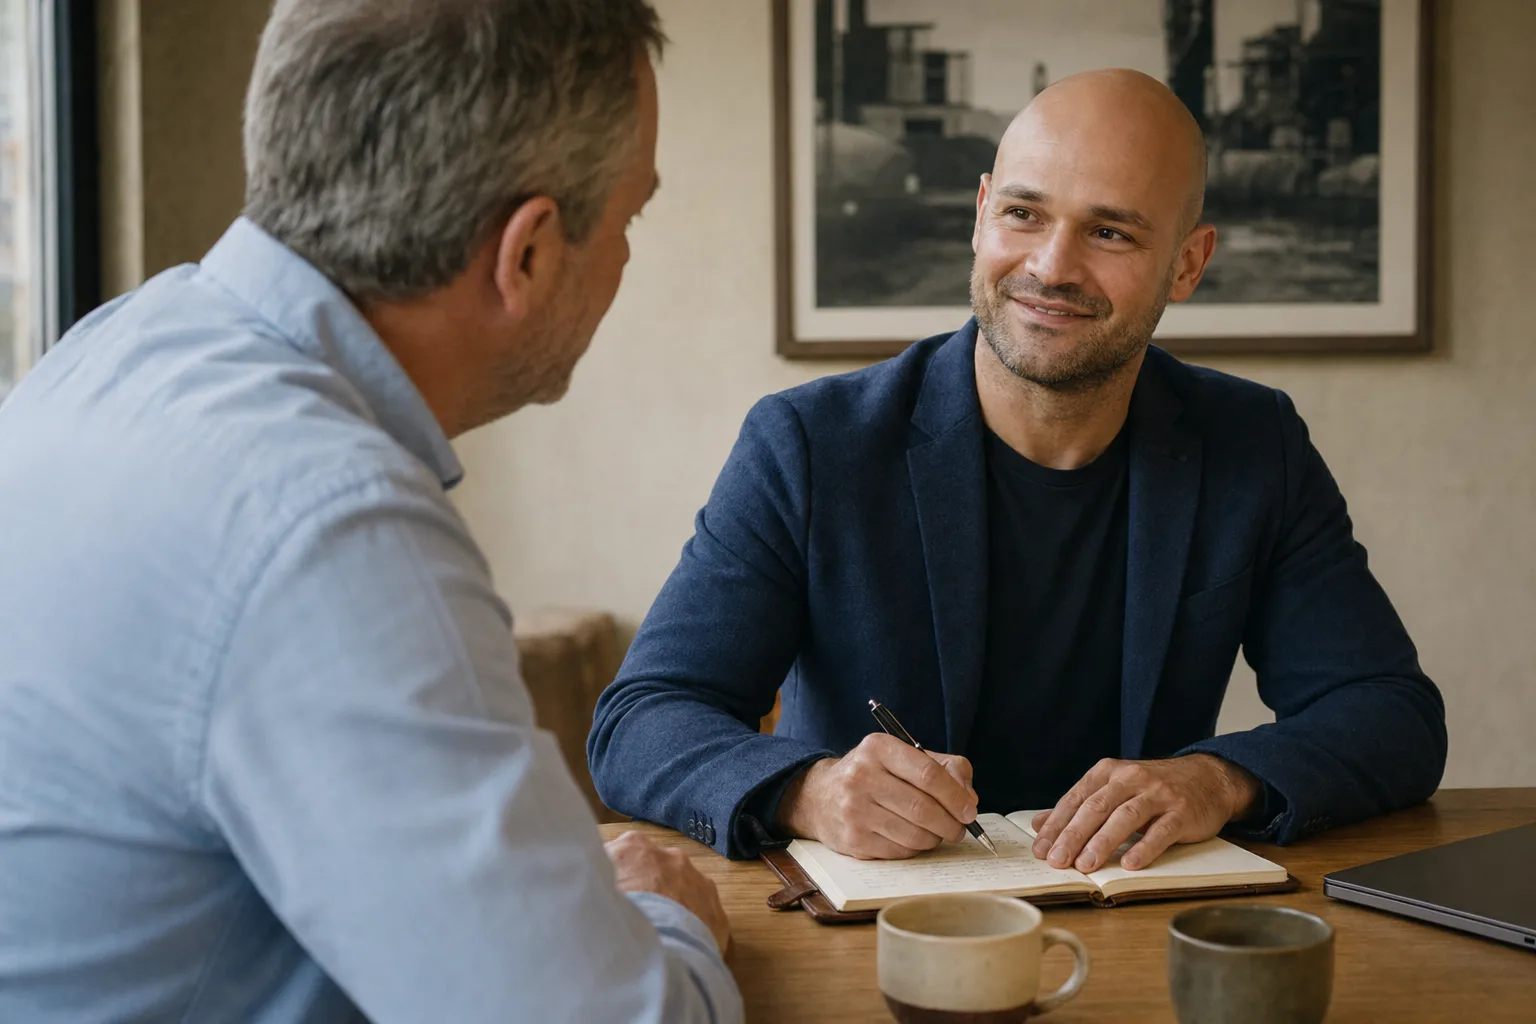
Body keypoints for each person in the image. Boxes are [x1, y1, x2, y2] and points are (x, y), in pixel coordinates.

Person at [0, 2, 742, 1021]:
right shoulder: (331, 527)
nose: (625, 255)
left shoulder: (107, 354)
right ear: (526, 254)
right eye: (630, 215)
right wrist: (669, 920)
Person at [589, 70, 1447, 874]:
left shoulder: (1255, 444)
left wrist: (1216, 780)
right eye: (1024, 214)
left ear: (1188, 263)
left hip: (1141, 919)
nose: (1051, 267)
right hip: (877, 929)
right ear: (979, 217)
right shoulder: (808, 444)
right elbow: (642, 720)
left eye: (1110, 231)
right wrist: (807, 791)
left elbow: (1391, 714)